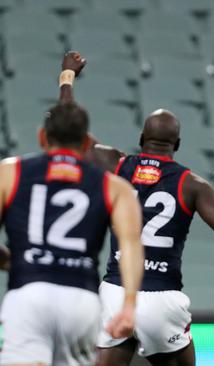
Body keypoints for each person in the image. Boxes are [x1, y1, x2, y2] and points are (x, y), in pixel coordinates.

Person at [55, 52, 214, 366]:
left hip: (116, 291)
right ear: (177, 145)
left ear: (142, 138)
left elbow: (68, 130)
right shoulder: (191, 184)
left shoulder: (115, 164)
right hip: (161, 298)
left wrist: (67, 76)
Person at [0, 68, 145, 364]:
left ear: (42, 136)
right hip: (81, 300)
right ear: (86, 142)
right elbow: (130, 245)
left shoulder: (9, 173)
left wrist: (8, 259)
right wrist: (129, 305)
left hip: (28, 293)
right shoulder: (115, 187)